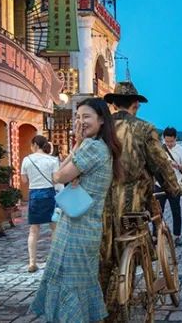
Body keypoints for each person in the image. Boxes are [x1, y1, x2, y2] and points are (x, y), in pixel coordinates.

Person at [100, 82, 182, 322]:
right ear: (135, 104)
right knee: (135, 246)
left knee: (103, 258)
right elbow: (160, 163)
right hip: (133, 203)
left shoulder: (101, 127)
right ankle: (135, 294)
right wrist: (173, 188)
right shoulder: (145, 128)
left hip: (101, 203)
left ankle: (101, 309)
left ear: (113, 104)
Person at [31, 97, 121, 322]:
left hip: (75, 229)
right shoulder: (103, 147)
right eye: (78, 117)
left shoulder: (92, 147)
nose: (81, 121)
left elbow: (58, 176)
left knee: (69, 283)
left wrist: (78, 144)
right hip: (88, 227)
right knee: (82, 284)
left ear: (101, 119)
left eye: (86, 116)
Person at [21, 136, 63, 273]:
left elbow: (24, 180)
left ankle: (32, 262)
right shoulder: (52, 160)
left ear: (34, 144)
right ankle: (56, 259)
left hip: (34, 195)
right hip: (49, 194)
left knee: (34, 230)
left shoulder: (27, 160)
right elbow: (56, 179)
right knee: (54, 227)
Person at [158, 127, 182, 246]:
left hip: (174, 184)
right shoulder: (159, 149)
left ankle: (177, 236)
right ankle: (156, 235)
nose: (169, 144)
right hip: (159, 184)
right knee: (158, 211)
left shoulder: (181, 150)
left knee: (176, 211)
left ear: (175, 138)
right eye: (167, 141)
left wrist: (176, 165)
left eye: (171, 141)